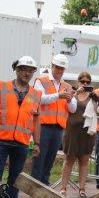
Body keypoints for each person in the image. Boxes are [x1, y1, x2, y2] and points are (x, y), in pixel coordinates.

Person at [0, 56, 41, 198]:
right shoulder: (2, 86)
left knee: (15, 177)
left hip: (21, 142)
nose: (27, 73)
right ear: (17, 70)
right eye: (23, 69)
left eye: (30, 71)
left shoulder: (36, 94)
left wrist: (37, 143)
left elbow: (36, 120)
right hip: (0, 140)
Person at [59, 71, 99, 197]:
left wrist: (95, 99)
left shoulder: (93, 96)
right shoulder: (73, 94)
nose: (85, 84)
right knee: (69, 159)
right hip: (72, 131)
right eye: (83, 82)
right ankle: (63, 187)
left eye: (88, 82)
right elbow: (71, 108)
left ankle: (82, 189)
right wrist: (77, 93)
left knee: (84, 160)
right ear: (78, 82)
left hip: (87, 132)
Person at [31, 55, 73, 185]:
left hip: (58, 127)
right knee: (39, 159)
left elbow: (72, 109)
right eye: (58, 67)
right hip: (43, 126)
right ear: (52, 66)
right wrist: (59, 95)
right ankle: (35, 188)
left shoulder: (67, 85)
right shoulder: (41, 81)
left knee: (49, 160)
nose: (59, 70)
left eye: (62, 68)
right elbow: (40, 98)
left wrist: (70, 100)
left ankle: (44, 186)